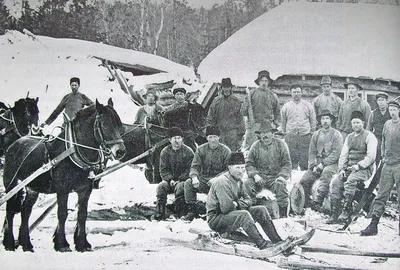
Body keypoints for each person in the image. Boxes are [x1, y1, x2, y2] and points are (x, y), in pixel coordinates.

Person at [207, 152, 293, 250]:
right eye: (237, 168)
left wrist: (237, 204)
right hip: (217, 219)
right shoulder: (222, 182)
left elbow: (249, 200)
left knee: (261, 210)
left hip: (232, 213)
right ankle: (262, 244)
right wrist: (240, 205)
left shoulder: (239, 181)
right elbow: (226, 208)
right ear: (230, 167)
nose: (241, 171)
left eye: (243, 167)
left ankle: (277, 241)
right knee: (244, 214)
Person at [326, 111, 377, 224]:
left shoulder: (369, 136)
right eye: (354, 123)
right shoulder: (349, 137)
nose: (356, 125)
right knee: (336, 183)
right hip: (349, 169)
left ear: (363, 123)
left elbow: (371, 157)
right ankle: (335, 213)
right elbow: (343, 155)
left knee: (350, 181)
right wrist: (342, 170)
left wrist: (358, 166)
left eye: (358, 122)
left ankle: (346, 211)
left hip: (364, 169)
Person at [361, 100, 400, 236]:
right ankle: (373, 225)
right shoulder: (387, 125)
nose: (392, 112)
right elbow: (382, 141)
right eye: (391, 110)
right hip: (387, 165)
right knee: (381, 195)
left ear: (398, 111)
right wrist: (383, 156)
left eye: (395, 109)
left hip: (398, 165)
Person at [182, 125, 231, 222]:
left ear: (219, 137)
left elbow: (229, 170)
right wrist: (194, 177)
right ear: (207, 138)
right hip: (204, 180)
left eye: (215, 137)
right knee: (188, 183)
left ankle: (219, 213)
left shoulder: (226, 151)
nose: (213, 140)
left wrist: (217, 178)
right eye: (210, 137)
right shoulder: (201, 149)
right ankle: (191, 211)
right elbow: (195, 166)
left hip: (220, 181)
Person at [244, 120, 292, 218]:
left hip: (275, 178)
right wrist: (255, 175)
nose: (265, 135)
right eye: (262, 133)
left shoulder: (280, 145)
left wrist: (282, 176)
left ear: (272, 133)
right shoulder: (255, 146)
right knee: (247, 184)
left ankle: (283, 215)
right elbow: (249, 164)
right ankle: (252, 211)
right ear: (259, 135)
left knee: (280, 185)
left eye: (267, 132)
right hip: (259, 178)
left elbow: (287, 164)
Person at [299, 109, 343, 212]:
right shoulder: (316, 135)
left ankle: (318, 201)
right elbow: (312, 152)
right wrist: (313, 165)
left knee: (326, 175)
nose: (325, 121)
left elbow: (336, 154)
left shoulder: (336, 135)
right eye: (323, 118)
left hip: (332, 164)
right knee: (305, 180)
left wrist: (323, 164)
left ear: (331, 120)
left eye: (327, 118)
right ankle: (306, 204)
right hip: (317, 164)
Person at [152, 127, 194, 221]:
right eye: (174, 138)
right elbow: (163, 169)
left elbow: (190, 169)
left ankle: (180, 212)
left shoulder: (188, 152)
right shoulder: (165, 152)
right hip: (169, 181)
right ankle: (160, 212)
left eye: (179, 138)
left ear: (182, 139)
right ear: (170, 140)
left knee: (180, 188)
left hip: (182, 180)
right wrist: (170, 179)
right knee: (161, 187)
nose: (176, 141)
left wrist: (180, 179)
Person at [240, 70, 281, 151]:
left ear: (268, 82)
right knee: (251, 149)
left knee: (268, 149)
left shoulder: (273, 96)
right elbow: (243, 112)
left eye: (266, 81)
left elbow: (278, 113)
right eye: (262, 81)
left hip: (267, 127)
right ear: (258, 82)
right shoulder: (251, 94)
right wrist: (245, 105)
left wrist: (275, 124)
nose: (264, 83)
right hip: (253, 126)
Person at [281, 84, 317, 171]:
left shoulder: (308, 105)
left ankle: (303, 175)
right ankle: (293, 176)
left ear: (301, 93)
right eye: (294, 92)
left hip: (305, 135)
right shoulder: (286, 106)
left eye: (298, 92)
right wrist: (285, 133)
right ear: (291, 93)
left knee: (304, 158)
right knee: (291, 157)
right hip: (291, 136)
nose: (296, 94)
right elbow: (283, 121)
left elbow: (313, 120)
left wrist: (311, 132)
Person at [206, 78, 245, 151]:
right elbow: (210, 116)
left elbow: (240, 118)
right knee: (220, 153)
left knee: (231, 154)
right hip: (220, 133)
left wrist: (240, 134)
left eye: (228, 87)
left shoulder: (236, 101)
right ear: (221, 88)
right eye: (224, 87)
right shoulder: (216, 101)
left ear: (231, 88)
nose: (226, 89)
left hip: (232, 133)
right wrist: (211, 132)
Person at [366, 92, 391, 165]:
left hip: (389, 139)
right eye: (379, 100)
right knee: (377, 159)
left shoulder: (391, 112)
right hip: (377, 138)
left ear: (386, 101)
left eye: (383, 100)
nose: (381, 102)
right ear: (377, 102)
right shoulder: (373, 113)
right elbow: (369, 129)